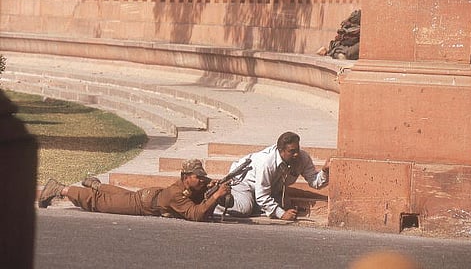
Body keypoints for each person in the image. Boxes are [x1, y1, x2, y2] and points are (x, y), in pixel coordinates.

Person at [38, 159, 231, 222]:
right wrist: (216, 195)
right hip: (142, 204)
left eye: (202, 177)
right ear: (185, 177)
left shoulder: (188, 186)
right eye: (198, 177)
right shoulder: (176, 194)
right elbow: (195, 214)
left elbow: (196, 196)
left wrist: (210, 187)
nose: (201, 180)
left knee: (122, 194)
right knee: (98, 203)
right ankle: (60, 189)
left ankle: (97, 185)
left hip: (149, 196)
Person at [221, 131, 330, 221]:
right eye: (291, 151)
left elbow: (316, 183)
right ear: (281, 151)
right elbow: (262, 196)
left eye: (297, 150)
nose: (296, 154)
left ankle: (257, 205)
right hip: (244, 182)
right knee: (244, 209)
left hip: (266, 188)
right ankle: (215, 203)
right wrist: (282, 214)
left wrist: (325, 171)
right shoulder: (266, 163)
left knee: (284, 204)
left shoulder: (302, 158)